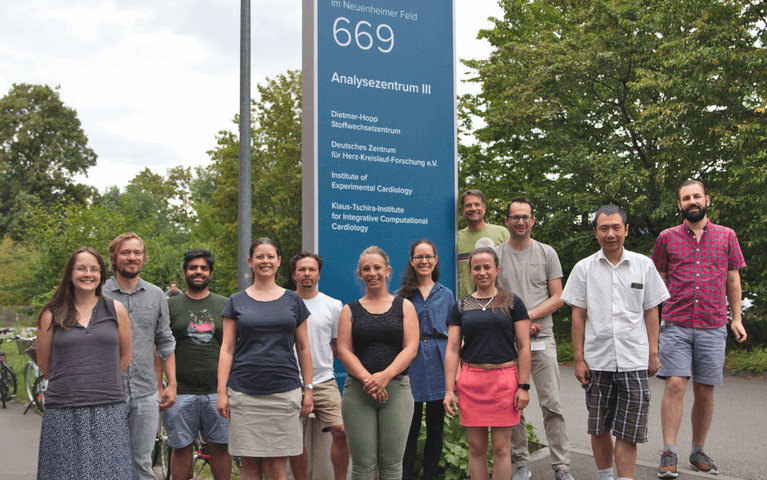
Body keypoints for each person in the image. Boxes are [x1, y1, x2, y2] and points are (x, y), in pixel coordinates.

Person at [561, 205, 669, 480]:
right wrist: (578, 359)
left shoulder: (643, 265)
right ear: (596, 232)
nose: (611, 234)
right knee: (598, 427)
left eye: (616, 228)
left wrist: (653, 353)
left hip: (634, 359)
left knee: (628, 430)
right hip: (598, 360)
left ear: (626, 230)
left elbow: (651, 311)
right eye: (604, 228)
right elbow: (578, 316)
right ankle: (606, 476)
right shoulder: (584, 268)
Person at [652, 180, 748, 478]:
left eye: (696, 196)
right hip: (676, 324)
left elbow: (733, 279)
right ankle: (669, 451)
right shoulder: (667, 238)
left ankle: (697, 450)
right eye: (685, 198)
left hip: (712, 325)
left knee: (704, 390)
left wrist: (737, 317)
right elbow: (658, 283)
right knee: (676, 384)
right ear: (679, 204)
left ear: (707, 200)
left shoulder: (727, 236)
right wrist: (652, 326)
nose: (691, 201)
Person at [217, 238, 314, 480]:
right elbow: (227, 348)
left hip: (284, 393)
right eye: (259, 256)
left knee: (276, 468)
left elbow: (303, 347)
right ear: (250, 262)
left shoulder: (293, 300)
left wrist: (308, 389)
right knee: (249, 464)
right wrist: (221, 392)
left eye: (270, 256)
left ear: (279, 262)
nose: (265, 261)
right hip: (244, 392)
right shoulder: (235, 301)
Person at [35, 247, 132, 480]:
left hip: (108, 409)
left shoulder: (115, 310)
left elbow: (125, 356)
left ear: (101, 275)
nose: (88, 274)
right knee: (65, 474)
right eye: (81, 268)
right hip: (63, 411)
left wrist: (100, 382)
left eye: (94, 269)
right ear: (70, 273)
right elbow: (44, 363)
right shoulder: (51, 314)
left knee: (109, 474)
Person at [495, 197, 574, 480]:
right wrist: (517, 323)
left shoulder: (547, 253)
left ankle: (562, 465)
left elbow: (559, 296)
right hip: (506, 341)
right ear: (507, 221)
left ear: (533, 220)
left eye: (525, 217)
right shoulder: (496, 255)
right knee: (512, 404)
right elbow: (489, 298)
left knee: (552, 403)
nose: (520, 221)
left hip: (543, 338)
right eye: (514, 217)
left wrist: (527, 318)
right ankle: (520, 464)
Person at [444, 246, 531, 480]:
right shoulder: (460, 306)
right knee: (476, 449)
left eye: (487, 267)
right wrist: (449, 390)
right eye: (476, 268)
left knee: (502, 449)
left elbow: (523, 346)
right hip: (471, 382)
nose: (482, 272)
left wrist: (524, 386)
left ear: (497, 269)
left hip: (505, 381)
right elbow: (452, 349)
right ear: (470, 271)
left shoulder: (513, 303)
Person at [337, 246, 419, 480]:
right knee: (363, 467)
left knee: (392, 466)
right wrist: (368, 379)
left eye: (377, 268)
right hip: (358, 393)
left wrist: (384, 376)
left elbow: (411, 348)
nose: (372, 273)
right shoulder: (349, 309)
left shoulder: (404, 306)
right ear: (360, 274)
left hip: (396, 391)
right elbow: (344, 350)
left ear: (388, 271)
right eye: (366, 269)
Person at [103, 232, 177, 480]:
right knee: (108, 463)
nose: (132, 257)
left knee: (143, 464)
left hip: (146, 393)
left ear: (143, 257)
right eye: (125, 252)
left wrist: (172, 384)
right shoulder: (99, 294)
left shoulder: (156, 295)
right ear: (114, 258)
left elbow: (164, 340)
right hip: (106, 392)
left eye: (137, 252)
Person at [165, 249, 231, 480]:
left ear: (211, 274)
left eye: (204, 268)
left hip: (217, 392)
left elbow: (232, 348)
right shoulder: (170, 306)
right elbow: (160, 348)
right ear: (184, 272)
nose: (198, 272)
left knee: (221, 448)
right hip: (180, 392)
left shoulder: (225, 305)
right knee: (180, 448)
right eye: (193, 268)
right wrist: (162, 385)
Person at [287, 251, 350, 480]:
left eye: (311, 269)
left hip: (324, 380)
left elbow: (338, 345)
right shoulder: (284, 303)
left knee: (341, 430)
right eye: (302, 269)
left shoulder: (333, 306)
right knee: (295, 439)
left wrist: (318, 365)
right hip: (290, 382)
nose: (307, 274)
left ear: (319, 274)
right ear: (294, 274)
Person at [398, 239, 454, 480]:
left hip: (440, 363)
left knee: (435, 428)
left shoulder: (446, 294)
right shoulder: (401, 296)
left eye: (428, 256)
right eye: (418, 257)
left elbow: (454, 334)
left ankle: (429, 476)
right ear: (411, 261)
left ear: (435, 260)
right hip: (411, 361)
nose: (424, 261)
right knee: (408, 430)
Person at [457, 189, 510, 298]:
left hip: (499, 302)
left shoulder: (502, 233)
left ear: (484, 208)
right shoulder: (456, 238)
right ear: (463, 210)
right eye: (468, 205)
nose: (473, 208)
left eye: (477, 204)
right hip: (467, 304)